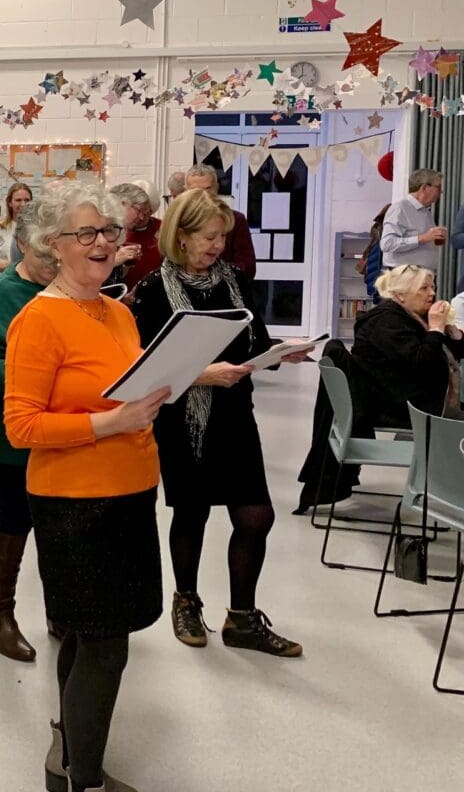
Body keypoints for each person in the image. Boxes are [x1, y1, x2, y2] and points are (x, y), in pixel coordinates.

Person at [4, 182, 170, 792]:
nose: (102, 242)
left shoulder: (117, 311)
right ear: (53, 244)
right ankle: (87, 782)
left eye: (109, 231)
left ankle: (71, 761)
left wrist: (196, 371)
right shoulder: (38, 320)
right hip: (76, 505)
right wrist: (111, 424)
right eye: (87, 233)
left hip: (130, 492)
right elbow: (21, 426)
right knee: (106, 646)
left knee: (87, 634)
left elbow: (130, 385)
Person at [132, 190, 307, 660]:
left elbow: (255, 343)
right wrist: (202, 375)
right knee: (192, 514)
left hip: (234, 414)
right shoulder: (152, 290)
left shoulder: (235, 280)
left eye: (222, 238)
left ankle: (242, 619)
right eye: (209, 237)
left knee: (256, 516)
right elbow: (146, 368)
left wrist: (282, 354)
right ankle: (186, 602)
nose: (217, 246)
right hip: (182, 420)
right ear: (181, 236)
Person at [0, 203, 57, 663]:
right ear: (21, 244)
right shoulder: (3, 295)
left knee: (57, 519)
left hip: (60, 432)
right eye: (44, 254)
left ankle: (61, 610)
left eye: (59, 253)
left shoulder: (66, 289)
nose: (54, 264)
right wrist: (37, 373)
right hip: (12, 436)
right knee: (15, 515)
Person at [350, 264, 464, 425]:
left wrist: (451, 331)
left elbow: (453, 353)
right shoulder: (386, 321)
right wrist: (436, 329)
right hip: (396, 408)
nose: (432, 293)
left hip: (414, 400)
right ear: (401, 295)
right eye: (424, 288)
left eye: (433, 287)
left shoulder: (413, 317)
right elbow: (424, 364)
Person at [185, 164, 256, 279]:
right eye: (195, 191)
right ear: (186, 191)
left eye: (207, 189)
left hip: (225, 287)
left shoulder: (236, 220)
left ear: (216, 188)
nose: (202, 195)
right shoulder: (180, 221)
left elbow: (248, 267)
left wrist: (210, 272)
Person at [381, 168, 446, 271]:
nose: (441, 191)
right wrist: (422, 238)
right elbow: (387, 244)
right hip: (404, 274)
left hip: (420, 274)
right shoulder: (400, 209)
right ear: (424, 188)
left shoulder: (425, 211)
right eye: (438, 187)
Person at [110, 182, 162, 294]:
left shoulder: (118, 230)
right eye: (139, 210)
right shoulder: (101, 228)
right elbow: (85, 271)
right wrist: (114, 261)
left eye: (147, 212)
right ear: (123, 204)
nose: (142, 217)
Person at [0, 182, 33, 285]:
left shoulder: (39, 230)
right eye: (18, 200)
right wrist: (1, 266)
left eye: (27, 200)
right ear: (10, 203)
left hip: (30, 286)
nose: (23, 204)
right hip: (4, 285)